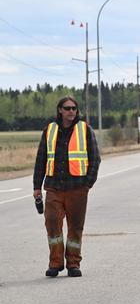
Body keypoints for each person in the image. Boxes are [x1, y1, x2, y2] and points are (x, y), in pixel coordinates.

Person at [33, 96, 100, 277]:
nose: (72, 111)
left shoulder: (85, 129)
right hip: (54, 187)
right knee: (52, 224)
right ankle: (55, 263)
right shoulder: (50, 130)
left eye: (74, 108)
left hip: (77, 188)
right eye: (68, 108)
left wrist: (88, 183)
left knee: (75, 227)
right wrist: (37, 187)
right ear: (60, 110)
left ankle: (73, 264)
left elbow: (95, 158)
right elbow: (41, 159)